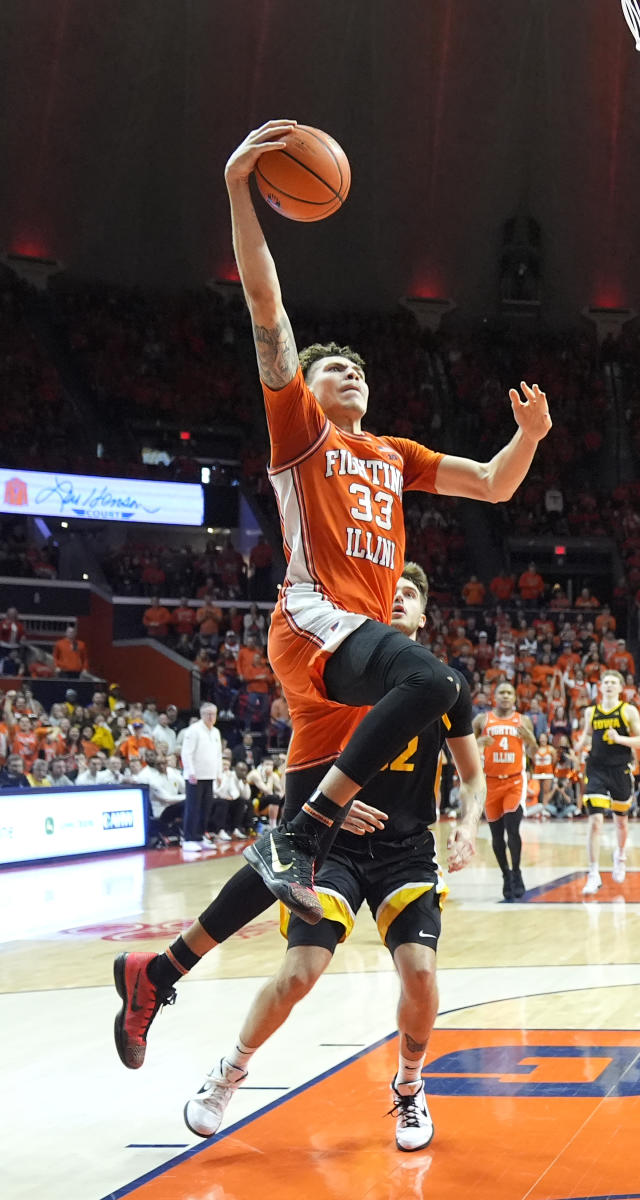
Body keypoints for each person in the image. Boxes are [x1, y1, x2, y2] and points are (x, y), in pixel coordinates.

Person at [222, 120, 550, 924]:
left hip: (359, 641)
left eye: (361, 369)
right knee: (436, 681)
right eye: (338, 367)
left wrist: (531, 436)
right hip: (313, 620)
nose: (353, 374)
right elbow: (267, 307)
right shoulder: (302, 429)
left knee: (307, 936)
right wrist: (240, 187)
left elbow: (493, 486)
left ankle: (167, 966)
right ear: (310, 382)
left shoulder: (395, 453)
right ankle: (303, 829)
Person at [111, 567, 478, 1077]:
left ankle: (157, 973)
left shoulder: (442, 684)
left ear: (424, 615)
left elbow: (472, 776)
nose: (397, 600)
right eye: (389, 592)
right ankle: (224, 1066)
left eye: (410, 594)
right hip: (335, 844)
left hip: (405, 847)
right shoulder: (346, 668)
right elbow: (305, 765)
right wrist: (334, 806)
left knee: (416, 968)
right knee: (299, 962)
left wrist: (469, 823)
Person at [574, 670, 640, 894]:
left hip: (620, 769)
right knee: (595, 821)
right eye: (605, 682)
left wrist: (619, 739)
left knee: (620, 822)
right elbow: (587, 735)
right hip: (596, 768)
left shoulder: (628, 710)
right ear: (600, 687)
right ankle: (593, 873)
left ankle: (620, 855)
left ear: (621, 688)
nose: (608, 685)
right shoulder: (591, 712)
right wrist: (577, 750)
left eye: (613, 682)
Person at [473, 681, 537, 900]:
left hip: (514, 782)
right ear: (495, 696)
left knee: (513, 829)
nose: (506, 696)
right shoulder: (482, 720)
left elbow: (534, 751)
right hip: (490, 783)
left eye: (510, 692)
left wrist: (531, 739)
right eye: (502, 692)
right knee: (496, 835)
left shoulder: (523, 720)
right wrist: (478, 742)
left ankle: (517, 872)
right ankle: (506, 875)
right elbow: (465, 748)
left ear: (515, 698)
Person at [180, 704, 223, 852]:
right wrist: (191, 772)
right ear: (201, 714)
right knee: (193, 808)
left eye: (213, 714)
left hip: (209, 776)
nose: (211, 717)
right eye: (208, 714)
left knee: (206, 808)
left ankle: (199, 836)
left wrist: (219, 774)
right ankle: (188, 839)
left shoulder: (216, 732)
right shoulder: (194, 730)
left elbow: (218, 755)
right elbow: (186, 753)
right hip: (195, 777)